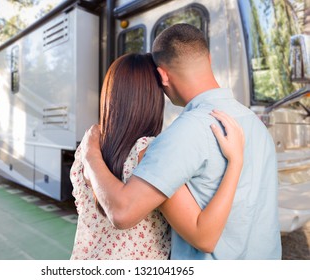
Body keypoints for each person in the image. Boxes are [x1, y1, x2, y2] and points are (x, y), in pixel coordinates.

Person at [80, 24, 282, 259]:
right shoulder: (255, 124)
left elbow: (123, 212)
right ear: (208, 58)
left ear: (163, 75)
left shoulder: (184, 133)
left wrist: (90, 155)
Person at [70, 53, 244, 260]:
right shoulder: (149, 153)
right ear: (153, 98)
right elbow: (203, 237)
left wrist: (91, 155)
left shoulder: (89, 147)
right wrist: (235, 161)